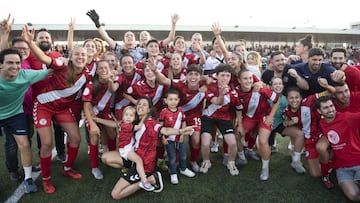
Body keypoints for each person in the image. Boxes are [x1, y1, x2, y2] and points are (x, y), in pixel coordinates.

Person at [22, 25, 92, 194]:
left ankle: (67, 168)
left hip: (62, 108)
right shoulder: (62, 63)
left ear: (88, 57)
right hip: (44, 106)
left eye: (83, 54)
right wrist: (31, 44)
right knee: (46, 143)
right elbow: (44, 59)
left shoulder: (88, 74)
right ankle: (46, 180)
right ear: (71, 56)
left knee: (75, 138)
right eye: (77, 54)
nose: (80, 57)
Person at [100, 97, 194, 200]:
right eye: (139, 104)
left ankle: (149, 180)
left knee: (115, 195)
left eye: (144, 105)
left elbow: (165, 130)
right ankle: (133, 172)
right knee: (105, 157)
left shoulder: (151, 123)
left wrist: (180, 131)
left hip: (144, 164)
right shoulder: (133, 121)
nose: (140, 106)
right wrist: (96, 119)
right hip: (133, 157)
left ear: (149, 110)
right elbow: (118, 124)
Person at [0, 48, 52, 193]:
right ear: (1, 64)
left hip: (16, 115)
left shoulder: (26, 75)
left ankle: (28, 179)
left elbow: (50, 71)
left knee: (24, 144)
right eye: (10, 62)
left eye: (17, 63)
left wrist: (66, 63)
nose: (15, 66)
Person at [149, 64, 206, 172]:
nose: (193, 77)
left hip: (194, 115)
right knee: (172, 139)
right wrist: (155, 71)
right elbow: (165, 81)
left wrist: (207, 81)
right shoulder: (180, 83)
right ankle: (171, 158)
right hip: (176, 115)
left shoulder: (205, 84)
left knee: (196, 139)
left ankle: (193, 161)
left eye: (196, 74)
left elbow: (214, 80)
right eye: (190, 74)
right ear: (186, 76)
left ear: (200, 77)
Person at [94, 106, 155, 191]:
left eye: (131, 115)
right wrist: (145, 116)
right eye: (126, 115)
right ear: (122, 116)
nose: (128, 117)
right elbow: (138, 126)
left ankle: (130, 169)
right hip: (127, 150)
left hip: (125, 150)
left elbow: (113, 124)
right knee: (138, 160)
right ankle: (144, 181)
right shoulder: (127, 126)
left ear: (134, 118)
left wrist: (97, 119)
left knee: (137, 160)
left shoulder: (123, 124)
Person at [236, 68, 280, 180]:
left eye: (250, 78)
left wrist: (271, 116)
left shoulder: (260, 89)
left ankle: (265, 168)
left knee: (262, 141)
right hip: (250, 117)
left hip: (264, 116)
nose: (248, 81)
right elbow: (238, 109)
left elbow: (277, 99)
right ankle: (242, 157)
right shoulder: (236, 92)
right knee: (235, 136)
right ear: (239, 80)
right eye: (245, 78)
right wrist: (240, 124)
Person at [200, 64, 243, 176]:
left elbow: (239, 109)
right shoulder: (210, 86)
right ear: (217, 76)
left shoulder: (233, 92)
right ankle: (206, 161)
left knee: (233, 143)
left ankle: (231, 162)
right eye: (222, 75)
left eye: (227, 76)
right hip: (208, 117)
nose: (225, 78)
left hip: (224, 118)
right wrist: (222, 94)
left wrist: (241, 124)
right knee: (205, 142)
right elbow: (217, 102)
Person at [316, 96, 360, 201]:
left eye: (331, 106)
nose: (330, 109)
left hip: (358, 161)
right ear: (319, 111)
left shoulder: (347, 118)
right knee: (354, 196)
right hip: (342, 167)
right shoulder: (322, 124)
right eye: (326, 108)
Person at [82, 60, 116, 179]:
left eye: (106, 68)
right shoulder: (91, 84)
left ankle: (110, 156)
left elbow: (113, 90)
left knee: (112, 132)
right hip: (92, 113)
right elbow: (86, 105)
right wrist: (92, 123)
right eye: (101, 68)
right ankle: (94, 167)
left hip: (105, 112)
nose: (104, 70)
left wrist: (110, 79)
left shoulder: (112, 81)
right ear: (96, 71)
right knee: (94, 135)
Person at [159, 89, 195, 184]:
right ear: (165, 101)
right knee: (172, 157)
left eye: (175, 99)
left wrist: (182, 134)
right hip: (169, 139)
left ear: (178, 100)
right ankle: (173, 173)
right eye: (170, 99)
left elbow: (183, 122)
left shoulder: (180, 111)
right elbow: (161, 126)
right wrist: (162, 137)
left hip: (179, 138)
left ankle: (183, 169)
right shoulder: (163, 112)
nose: (173, 101)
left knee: (183, 155)